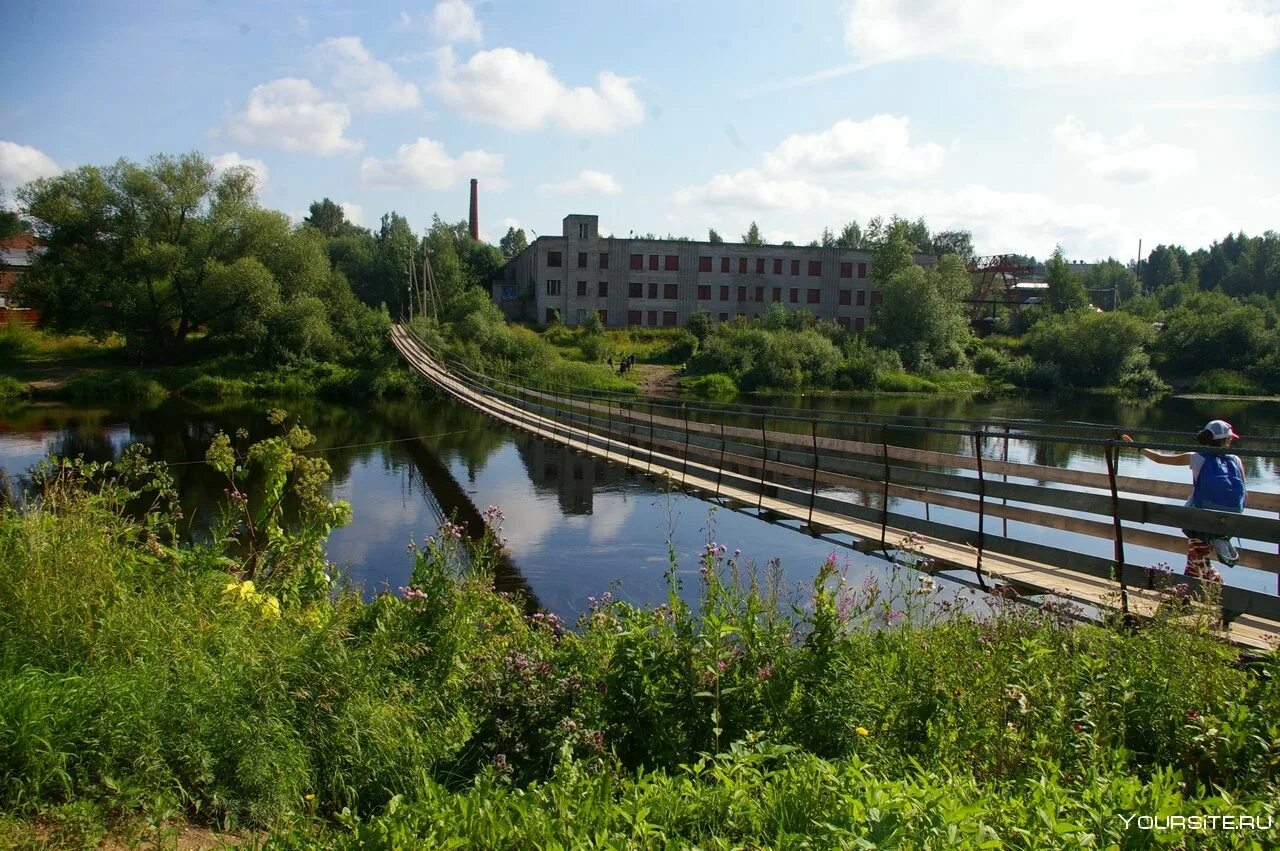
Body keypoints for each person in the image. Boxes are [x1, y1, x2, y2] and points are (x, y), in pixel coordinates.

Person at [1124, 419, 1246, 583]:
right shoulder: (1236, 460)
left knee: (1197, 558)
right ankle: (1184, 598)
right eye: (1230, 438)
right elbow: (1244, 493)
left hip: (1198, 518)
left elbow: (1160, 458)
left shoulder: (1197, 458)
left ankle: (1224, 595)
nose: (1231, 441)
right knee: (1195, 559)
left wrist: (1137, 447)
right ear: (1226, 440)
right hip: (1227, 521)